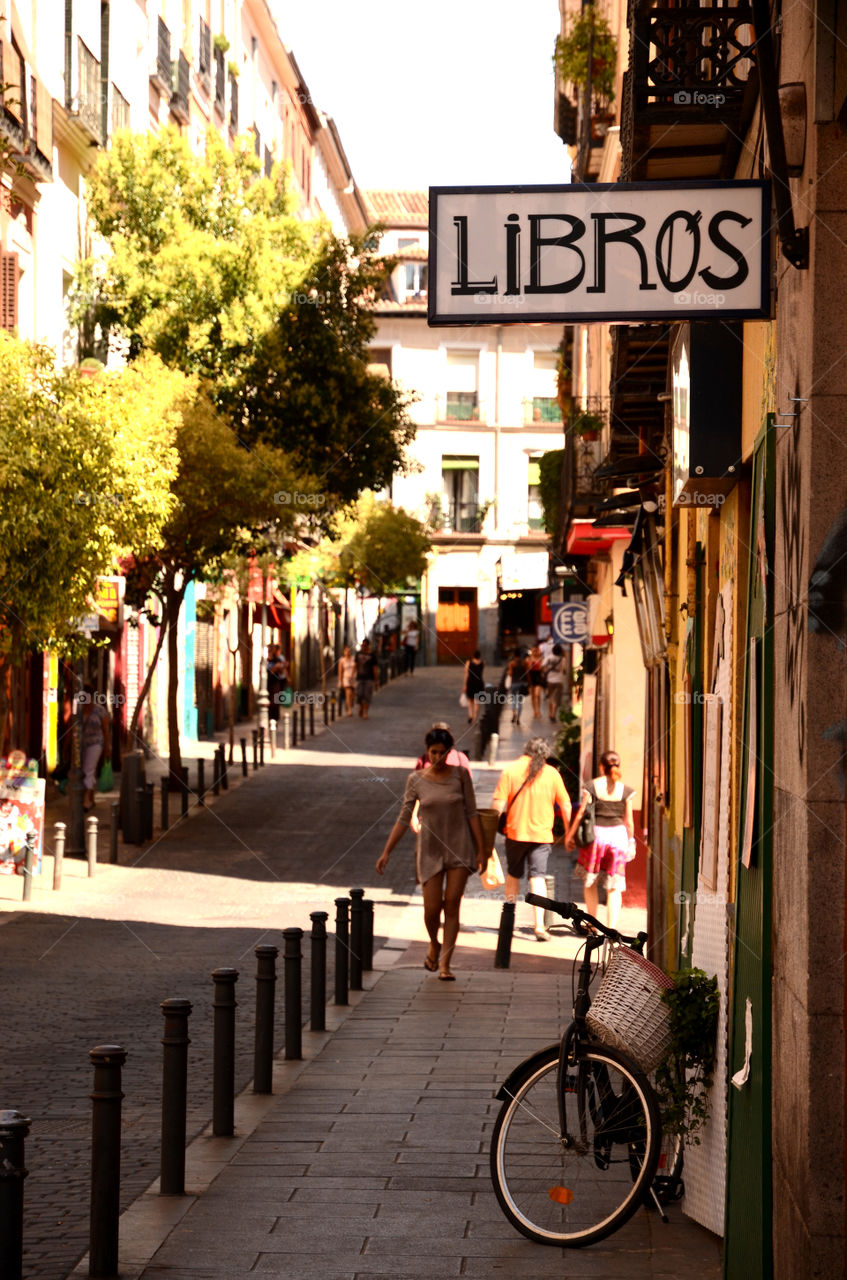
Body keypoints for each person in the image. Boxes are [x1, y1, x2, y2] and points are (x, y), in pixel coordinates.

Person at [376, 727, 486, 979]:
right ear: (426, 752)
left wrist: (482, 851)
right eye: (433, 752)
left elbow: (472, 813)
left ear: (449, 752)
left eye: (442, 752)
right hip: (429, 850)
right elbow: (403, 818)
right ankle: (434, 943)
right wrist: (386, 852)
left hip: (459, 847)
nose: (437, 757)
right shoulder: (415, 779)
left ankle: (445, 965)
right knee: (431, 908)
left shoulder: (460, 775)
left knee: (452, 904)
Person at [492, 737, 572, 941]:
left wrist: (489, 831)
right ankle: (539, 926)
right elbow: (566, 805)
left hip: (515, 833)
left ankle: (508, 919)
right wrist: (569, 830)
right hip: (542, 835)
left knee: (513, 875)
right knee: (538, 877)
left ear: (525, 750)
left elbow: (498, 804)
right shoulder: (552, 773)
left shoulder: (510, 770)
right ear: (544, 754)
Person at [566, 750, 635, 931]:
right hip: (618, 838)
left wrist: (570, 835)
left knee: (591, 882)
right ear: (617, 767)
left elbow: (582, 812)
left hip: (596, 838)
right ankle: (611, 928)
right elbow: (629, 822)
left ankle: (592, 923)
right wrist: (631, 842)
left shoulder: (591, 786)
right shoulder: (626, 791)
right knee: (614, 887)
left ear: (601, 767)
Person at [80, 684, 111, 812]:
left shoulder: (100, 711)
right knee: (87, 770)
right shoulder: (79, 710)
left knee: (88, 769)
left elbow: (106, 730)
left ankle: (85, 800)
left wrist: (107, 748)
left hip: (96, 744)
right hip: (82, 745)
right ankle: (91, 799)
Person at [355, 639, 379, 719]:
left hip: (369, 678)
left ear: (368, 646)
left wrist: (376, 681)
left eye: (365, 646)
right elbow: (355, 665)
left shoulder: (372, 656)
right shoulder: (358, 654)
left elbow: (375, 668)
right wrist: (352, 675)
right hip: (360, 678)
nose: (363, 647)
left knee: (367, 695)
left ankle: (365, 711)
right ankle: (361, 707)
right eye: (362, 645)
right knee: (359, 694)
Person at [506, 648, 529, 725]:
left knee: (513, 701)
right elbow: (527, 673)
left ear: (514, 655)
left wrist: (508, 672)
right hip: (522, 684)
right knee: (520, 702)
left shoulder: (512, 663)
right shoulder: (524, 663)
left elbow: (511, 673)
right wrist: (529, 683)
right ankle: (518, 718)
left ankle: (514, 714)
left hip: (514, 684)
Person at [543, 643, 565, 723]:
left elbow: (543, 665)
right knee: (557, 699)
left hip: (550, 680)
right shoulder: (562, 659)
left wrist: (546, 671)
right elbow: (563, 669)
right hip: (559, 680)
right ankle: (553, 714)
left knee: (551, 697)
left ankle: (550, 713)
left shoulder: (549, 658)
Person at [462, 650, 485, 725]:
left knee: (470, 700)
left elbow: (466, 674)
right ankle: (475, 719)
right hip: (479, 683)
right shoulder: (482, 663)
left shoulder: (469, 663)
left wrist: (464, 685)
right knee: (477, 702)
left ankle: (470, 715)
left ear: (473, 655)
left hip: (470, 683)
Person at [266, 644, 289, 718]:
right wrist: (274, 668)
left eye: (270, 650)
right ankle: (270, 717)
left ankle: (275, 718)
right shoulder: (265, 660)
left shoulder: (276, 659)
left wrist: (279, 668)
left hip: (275, 683)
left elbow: (282, 669)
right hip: (267, 684)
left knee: (275, 701)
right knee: (269, 701)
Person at [337, 644, 356, 717]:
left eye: (349, 651)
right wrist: (340, 681)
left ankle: (350, 704)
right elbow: (340, 671)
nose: (348, 652)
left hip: (353, 678)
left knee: (353, 695)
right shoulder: (342, 660)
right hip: (346, 678)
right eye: (346, 651)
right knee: (348, 693)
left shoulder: (353, 659)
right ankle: (349, 710)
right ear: (344, 651)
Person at [527, 642, 545, 719]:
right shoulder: (528, 659)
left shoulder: (540, 659)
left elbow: (542, 669)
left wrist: (539, 665)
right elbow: (527, 669)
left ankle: (539, 710)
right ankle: (535, 711)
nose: (534, 652)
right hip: (531, 678)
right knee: (533, 696)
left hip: (538, 678)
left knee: (537, 695)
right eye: (533, 650)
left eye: (535, 650)